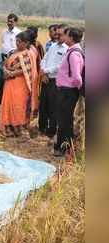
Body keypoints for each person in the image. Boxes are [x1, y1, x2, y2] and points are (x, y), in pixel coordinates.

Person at [54, 27, 84, 157]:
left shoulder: (74, 54)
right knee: (63, 119)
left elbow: (77, 77)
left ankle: (64, 148)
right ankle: (63, 146)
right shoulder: (71, 51)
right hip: (66, 91)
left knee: (65, 121)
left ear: (71, 38)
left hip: (68, 92)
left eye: (65, 36)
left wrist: (74, 88)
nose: (63, 38)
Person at [0, 31, 36, 137]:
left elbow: (25, 70)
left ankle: (18, 127)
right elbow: (4, 63)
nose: (17, 44)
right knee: (8, 104)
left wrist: (11, 73)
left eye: (19, 42)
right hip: (9, 83)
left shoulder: (29, 54)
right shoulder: (12, 52)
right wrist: (5, 71)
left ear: (26, 43)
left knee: (19, 105)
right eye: (16, 41)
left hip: (21, 84)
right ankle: (7, 126)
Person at [39, 24, 68, 138]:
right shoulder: (53, 46)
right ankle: (41, 128)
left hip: (55, 81)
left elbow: (60, 66)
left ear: (66, 35)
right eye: (56, 34)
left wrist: (46, 71)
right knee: (43, 104)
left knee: (53, 106)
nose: (57, 36)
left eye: (60, 34)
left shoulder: (66, 49)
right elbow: (44, 59)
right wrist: (43, 71)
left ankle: (51, 131)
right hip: (46, 79)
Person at [26, 26, 45, 117]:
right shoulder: (24, 46)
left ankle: (33, 110)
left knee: (34, 91)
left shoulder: (37, 45)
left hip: (35, 71)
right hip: (28, 71)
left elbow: (41, 58)